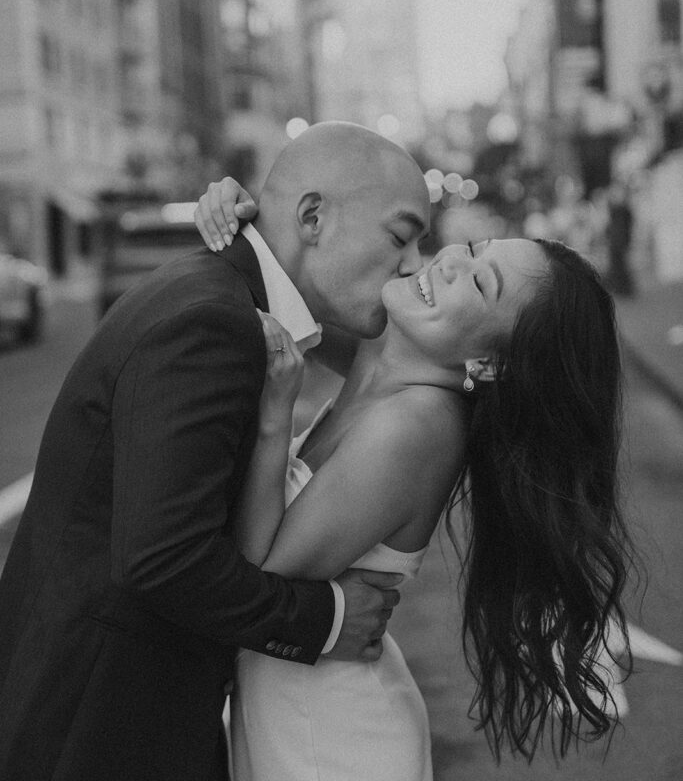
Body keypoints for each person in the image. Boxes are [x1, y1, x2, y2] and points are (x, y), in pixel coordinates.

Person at [0, 122, 431, 781]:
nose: (411, 263)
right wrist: (324, 620)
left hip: (130, 714)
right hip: (97, 726)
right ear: (312, 216)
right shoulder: (214, 320)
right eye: (399, 236)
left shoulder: (236, 306)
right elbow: (163, 557)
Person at [194, 177, 634, 779]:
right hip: (300, 719)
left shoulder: (420, 425)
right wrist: (234, 220)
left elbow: (257, 578)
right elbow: (290, 286)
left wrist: (276, 419)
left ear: (488, 363)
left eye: (480, 282)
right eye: (475, 250)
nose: (450, 259)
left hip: (334, 742)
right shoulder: (382, 360)